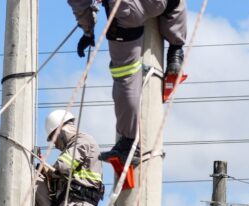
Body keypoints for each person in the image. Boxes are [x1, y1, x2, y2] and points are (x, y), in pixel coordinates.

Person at [67, 0, 187, 163]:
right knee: (176, 2)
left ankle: (130, 143)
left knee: (125, 75)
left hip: (127, 10)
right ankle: (176, 49)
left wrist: (87, 30)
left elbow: (79, 2)